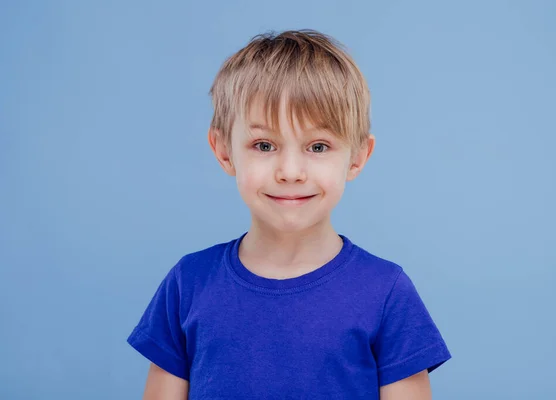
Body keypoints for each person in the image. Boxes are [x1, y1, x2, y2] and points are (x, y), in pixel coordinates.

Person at [127, 29, 451, 399]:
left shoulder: (387, 292)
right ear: (223, 151)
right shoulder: (188, 283)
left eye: (318, 146)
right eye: (264, 145)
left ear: (358, 156)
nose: (291, 171)